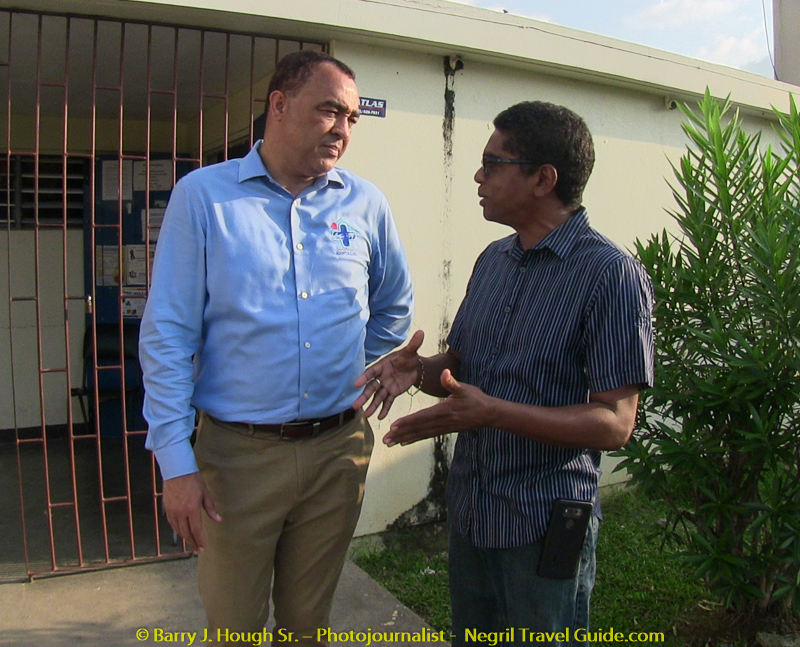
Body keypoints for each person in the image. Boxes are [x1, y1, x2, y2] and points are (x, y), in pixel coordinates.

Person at [139, 50, 413, 645]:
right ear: (280, 106)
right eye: (329, 111)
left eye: (351, 118)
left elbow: (394, 304)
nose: (342, 130)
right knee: (234, 625)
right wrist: (176, 464)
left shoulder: (365, 203)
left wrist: (358, 365)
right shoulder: (204, 197)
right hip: (238, 460)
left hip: (337, 453)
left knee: (307, 625)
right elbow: (168, 336)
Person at [354, 101, 654, 644]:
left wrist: (493, 413)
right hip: (474, 512)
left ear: (543, 179)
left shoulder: (610, 274)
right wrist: (419, 370)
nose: (478, 175)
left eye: (493, 163)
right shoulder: (494, 259)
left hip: (542, 522)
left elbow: (615, 422)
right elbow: (461, 367)